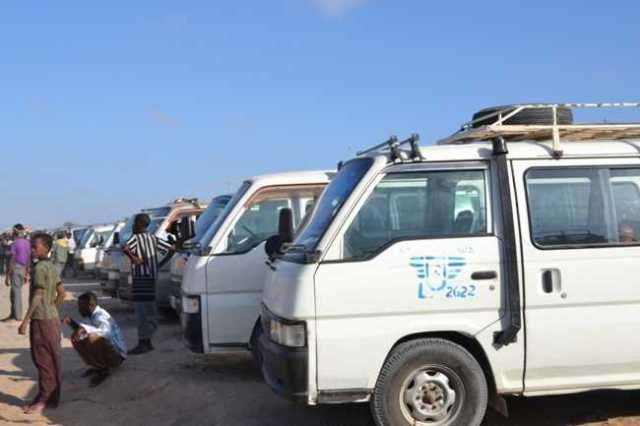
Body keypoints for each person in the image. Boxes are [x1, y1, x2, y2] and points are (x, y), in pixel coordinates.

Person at [18, 233, 66, 414]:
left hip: (41, 320)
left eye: (34, 247)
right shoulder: (51, 266)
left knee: (43, 360)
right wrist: (53, 307)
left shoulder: (39, 268)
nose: (31, 249)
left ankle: (44, 399)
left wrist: (25, 320)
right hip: (52, 319)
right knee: (52, 360)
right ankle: (49, 397)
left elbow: (38, 295)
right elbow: (62, 292)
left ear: (45, 248)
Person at [123, 213, 174, 355]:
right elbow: (171, 249)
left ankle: (142, 343)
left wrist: (134, 258)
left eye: (135, 222)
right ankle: (148, 341)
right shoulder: (153, 238)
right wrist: (159, 264)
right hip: (152, 278)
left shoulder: (135, 238)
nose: (133, 225)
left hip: (140, 279)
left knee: (141, 312)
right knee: (150, 310)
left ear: (139, 224)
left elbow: (125, 248)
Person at [62, 292, 126, 387]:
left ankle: (104, 369)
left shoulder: (101, 315)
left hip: (118, 356)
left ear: (90, 305)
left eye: (81, 306)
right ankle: (97, 366)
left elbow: (105, 332)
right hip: (110, 352)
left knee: (92, 338)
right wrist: (72, 323)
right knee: (76, 338)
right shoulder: (90, 315)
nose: (79, 309)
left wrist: (84, 330)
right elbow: (84, 330)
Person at [3, 224, 31, 322]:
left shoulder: (15, 243)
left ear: (15, 231)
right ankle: (13, 314)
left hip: (16, 268)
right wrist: (27, 272)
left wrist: (7, 275)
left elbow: (12, 260)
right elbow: (28, 258)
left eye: (13, 231)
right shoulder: (27, 243)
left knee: (16, 293)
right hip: (23, 269)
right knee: (14, 292)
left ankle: (17, 316)